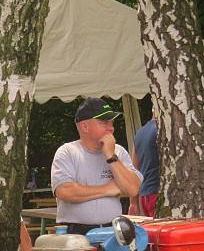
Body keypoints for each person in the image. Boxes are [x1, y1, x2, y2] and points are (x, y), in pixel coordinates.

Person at [51, 97, 142, 235]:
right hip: (75, 232)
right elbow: (65, 191)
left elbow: (133, 189)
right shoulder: (67, 152)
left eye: (112, 123)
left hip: (113, 230)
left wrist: (110, 156)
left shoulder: (118, 152)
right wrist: (108, 189)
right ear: (84, 127)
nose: (111, 128)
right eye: (104, 122)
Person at [128, 117, 159, 218]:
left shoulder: (139, 133)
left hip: (145, 195)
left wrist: (133, 203)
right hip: (158, 193)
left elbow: (134, 169)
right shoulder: (161, 129)